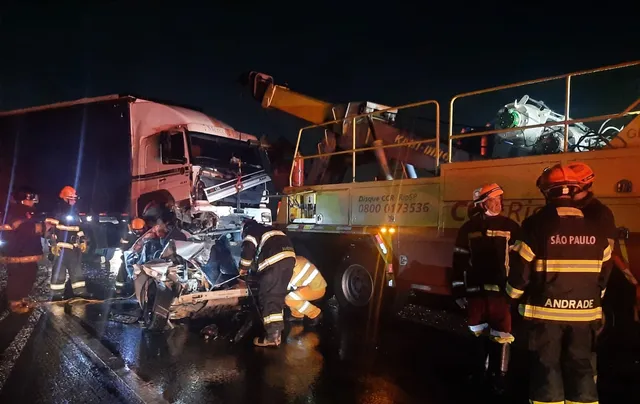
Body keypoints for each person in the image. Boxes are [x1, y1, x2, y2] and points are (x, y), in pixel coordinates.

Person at [506, 164, 613, 404]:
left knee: (547, 368)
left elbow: (520, 273)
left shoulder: (536, 225)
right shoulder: (596, 227)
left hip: (545, 315)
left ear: (547, 192)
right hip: (585, 314)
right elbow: (605, 272)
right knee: (581, 366)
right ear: (573, 190)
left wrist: (511, 298)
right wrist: (592, 300)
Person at [451, 183, 521, 391]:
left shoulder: (511, 227)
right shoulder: (468, 229)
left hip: (501, 294)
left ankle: (498, 377)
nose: (498, 203)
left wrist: (517, 291)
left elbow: (520, 262)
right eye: (493, 200)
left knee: (501, 337)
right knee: (476, 336)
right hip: (476, 294)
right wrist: (458, 291)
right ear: (482, 204)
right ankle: (477, 374)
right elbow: (459, 261)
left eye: (499, 199)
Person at [239, 218, 295, 347]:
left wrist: (243, 268)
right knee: (277, 296)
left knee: (269, 297)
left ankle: (272, 338)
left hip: (274, 261)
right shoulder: (267, 230)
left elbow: (248, 249)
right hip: (289, 260)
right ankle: (277, 335)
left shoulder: (251, 231)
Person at [0, 187, 45, 313]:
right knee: (17, 278)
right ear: (24, 199)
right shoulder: (14, 211)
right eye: (32, 198)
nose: (34, 201)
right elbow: (21, 228)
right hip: (17, 252)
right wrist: (40, 227)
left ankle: (22, 299)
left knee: (29, 276)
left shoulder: (30, 212)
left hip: (29, 251)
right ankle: (15, 303)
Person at [46, 186, 89, 299]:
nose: (74, 201)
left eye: (75, 198)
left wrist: (82, 241)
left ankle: (80, 293)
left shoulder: (74, 212)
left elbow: (79, 229)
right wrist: (53, 244)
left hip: (73, 248)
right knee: (59, 273)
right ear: (66, 199)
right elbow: (51, 230)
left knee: (76, 272)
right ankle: (56, 295)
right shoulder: (56, 212)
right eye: (72, 199)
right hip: (60, 249)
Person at [284, 255, 327, 326]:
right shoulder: (295, 261)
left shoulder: (296, 269)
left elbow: (286, 286)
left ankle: (315, 313)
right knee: (292, 295)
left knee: (289, 299)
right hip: (312, 286)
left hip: (317, 289)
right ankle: (297, 316)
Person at [114, 217, 147, 295]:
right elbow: (124, 248)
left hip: (140, 257)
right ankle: (119, 288)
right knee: (123, 269)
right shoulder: (127, 236)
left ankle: (138, 289)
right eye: (136, 230)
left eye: (139, 230)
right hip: (129, 257)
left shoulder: (146, 235)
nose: (138, 232)